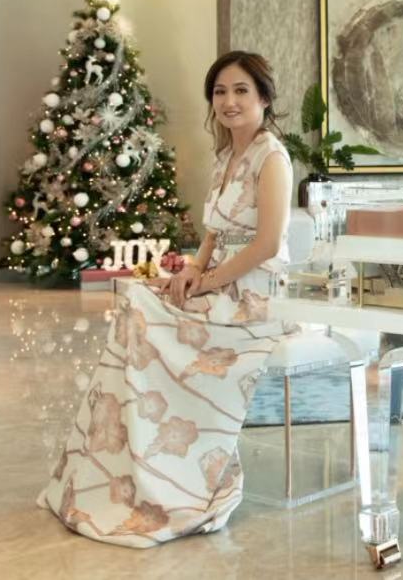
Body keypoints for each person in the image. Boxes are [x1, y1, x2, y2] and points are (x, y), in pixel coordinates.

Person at [39, 51, 297, 547]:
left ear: (264, 97)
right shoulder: (225, 157)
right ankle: (120, 475)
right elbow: (213, 233)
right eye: (219, 92)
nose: (229, 101)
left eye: (241, 90)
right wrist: (193, 270)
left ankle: (174, 482)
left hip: (256, 296)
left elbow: (267, 244)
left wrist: (209, 280)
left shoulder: (273, 158)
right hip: (219, 283)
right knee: (136, 299)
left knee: (143, 315)